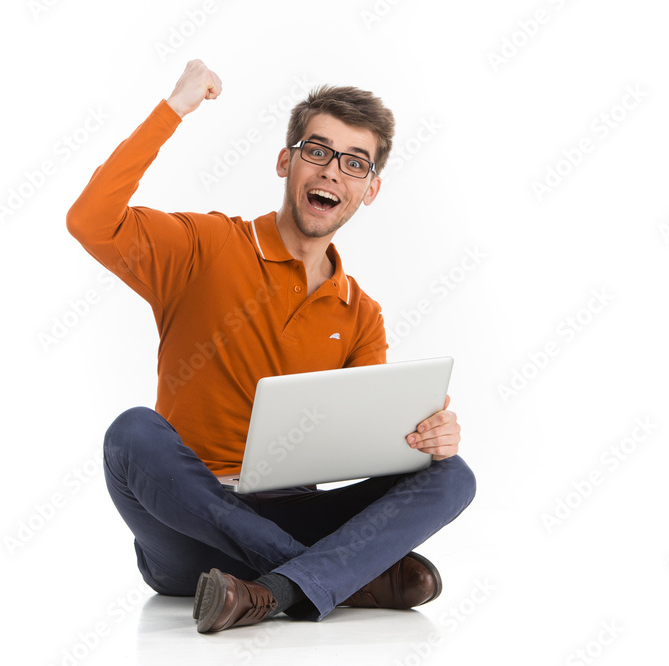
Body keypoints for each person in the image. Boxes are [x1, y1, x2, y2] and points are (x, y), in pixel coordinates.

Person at [66, 59, 475, 634]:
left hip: (296, 510)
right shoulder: (205, 246)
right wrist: (174, 108)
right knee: (131, 433)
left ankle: (270, 590)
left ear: (370, 189)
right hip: (187, 523)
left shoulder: (361, 315)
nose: (333, 172)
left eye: (354, 163)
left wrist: (424, 440)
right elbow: (90, 220)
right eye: (318, 151)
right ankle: (332, 578)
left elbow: (366, 449)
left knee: (454, 475)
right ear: (286, 162)